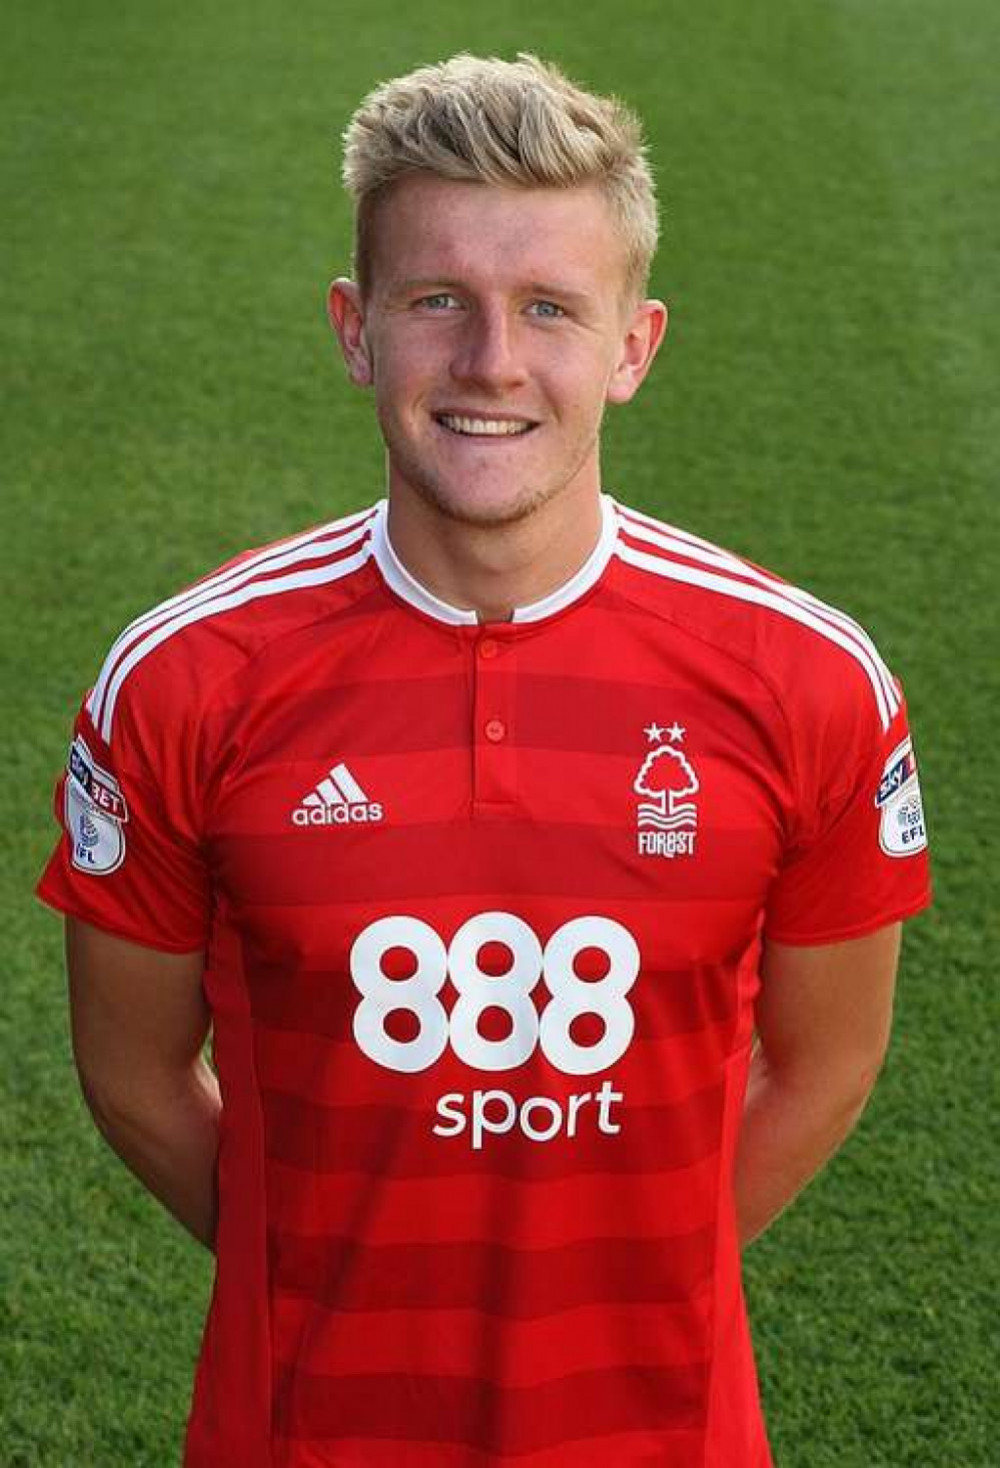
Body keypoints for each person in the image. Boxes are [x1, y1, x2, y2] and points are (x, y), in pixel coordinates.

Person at [38, 50, 931, 1468]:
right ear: (355, 329)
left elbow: (826, 1066)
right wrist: (324, 1265)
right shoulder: (185, 681)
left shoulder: (808, 682)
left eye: (550, 311)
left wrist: (639, 1261)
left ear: (634, 346)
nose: (492, 364)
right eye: (437, 300)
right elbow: (135, 1080)